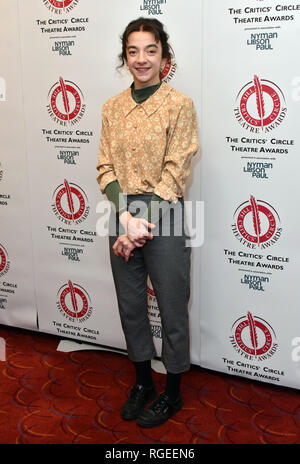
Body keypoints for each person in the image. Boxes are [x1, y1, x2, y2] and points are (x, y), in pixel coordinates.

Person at [96, 17, 199, 428]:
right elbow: (105, 166)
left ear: (164, 56)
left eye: (150, 50)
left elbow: (177, 169)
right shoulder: (111, 108)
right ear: (125, 56)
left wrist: (143, 221)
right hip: (120, 214)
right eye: (133, 51)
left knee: (172, 304)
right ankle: (143, 382)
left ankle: (172, 391)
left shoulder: (179, 104)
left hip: (165, 213)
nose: (142, 59)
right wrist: (124, 215)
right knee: (131, 305)